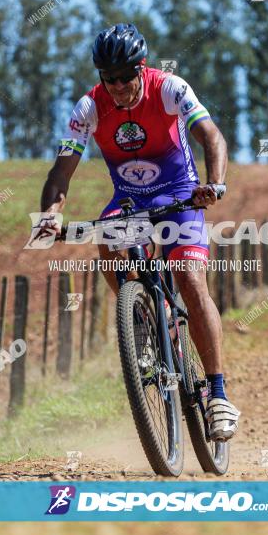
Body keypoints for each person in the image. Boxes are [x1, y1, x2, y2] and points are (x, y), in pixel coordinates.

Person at [35, 23, 240, 440]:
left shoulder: (169, 89)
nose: (116, 87)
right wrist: (50, 215)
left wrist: (215, 184)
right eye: (107, 78)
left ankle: (217, 393)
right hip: (131, 198)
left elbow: (212, 137)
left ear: (140, 68)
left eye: (125, 77)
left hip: (180, 196)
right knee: (105, 236)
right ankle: (141, 317)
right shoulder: (88, 108)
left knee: (189, 279)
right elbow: (61, 172)